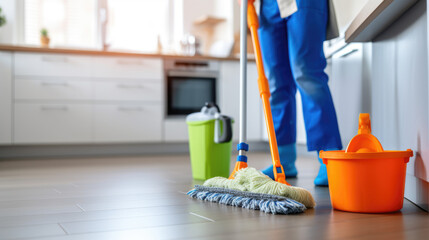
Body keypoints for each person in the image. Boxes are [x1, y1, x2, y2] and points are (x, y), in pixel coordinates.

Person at [257, 0, 342, 186]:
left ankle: (329, 157)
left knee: (307, 73)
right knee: (277, 83)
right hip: (268, 5)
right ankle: (283, 159)